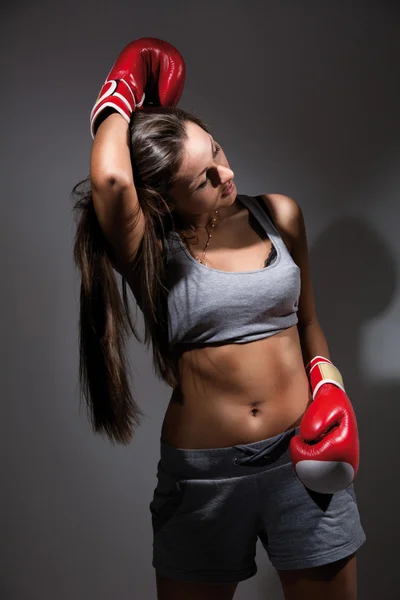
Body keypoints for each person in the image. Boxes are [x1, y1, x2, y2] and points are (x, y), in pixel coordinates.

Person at [72, 38, 366, 600]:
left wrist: (329, 383)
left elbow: (307, 325)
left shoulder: (278, 214)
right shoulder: (150, 252)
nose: (225, 174)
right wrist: (121, 92)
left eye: (218, 152)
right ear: (165, 199)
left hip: (302, 461)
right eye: (203, 179)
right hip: (204, 477)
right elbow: (111, 182)